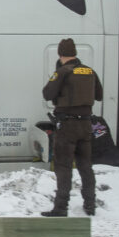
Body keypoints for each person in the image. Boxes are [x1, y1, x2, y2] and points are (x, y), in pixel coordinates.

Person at [41, 38, 103, 217]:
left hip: (67, 125)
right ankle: (90, 205)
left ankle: (61, 208)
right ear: (74, 53)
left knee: (63, 166)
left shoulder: (62, 72)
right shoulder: (89, 71)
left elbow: (47, 94)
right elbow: (99, 95)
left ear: (60, 54)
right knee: (85, 166)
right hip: (86, 125)